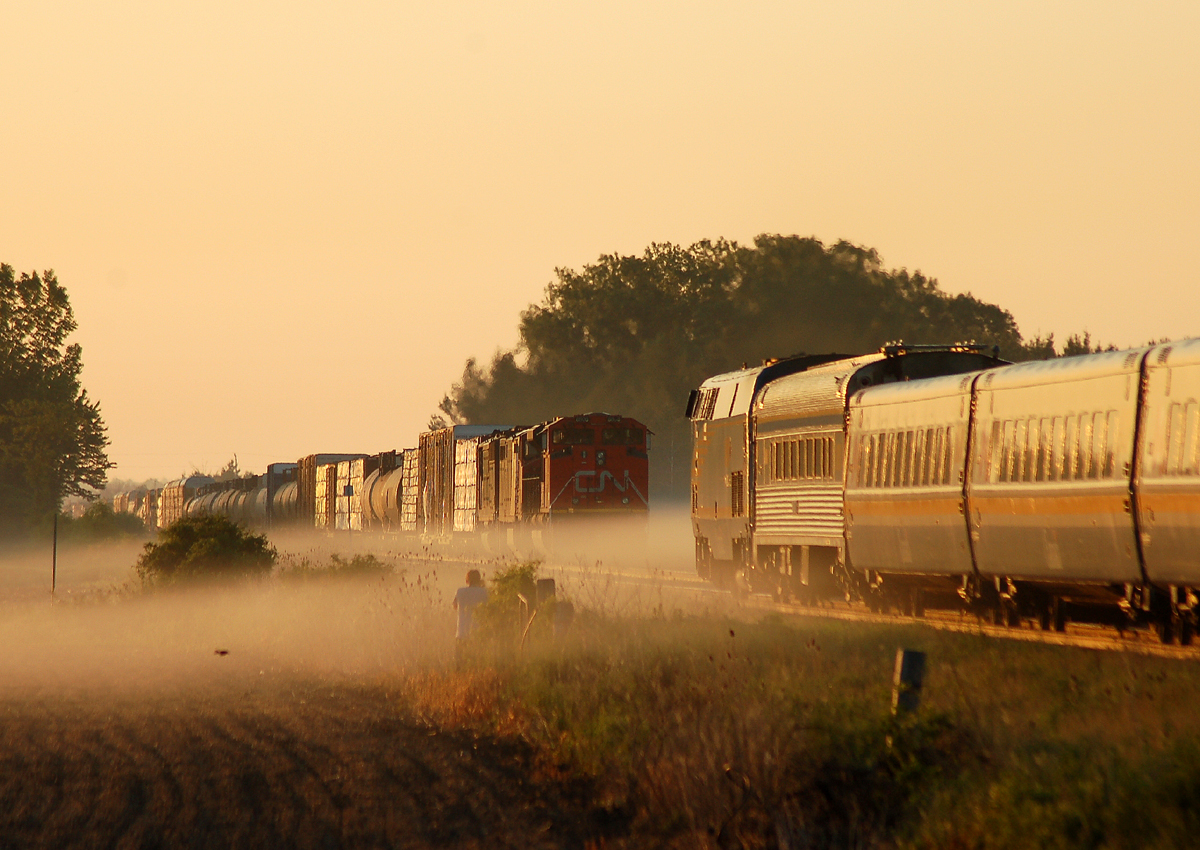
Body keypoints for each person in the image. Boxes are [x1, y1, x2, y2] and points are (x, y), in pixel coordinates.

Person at [453, 569, 488, 647]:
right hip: (477, 634)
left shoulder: (459, 591)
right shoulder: (484, 592)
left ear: (467, 580)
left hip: (461, 634)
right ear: (479, 580)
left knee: (460, 658)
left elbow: (454, 606)